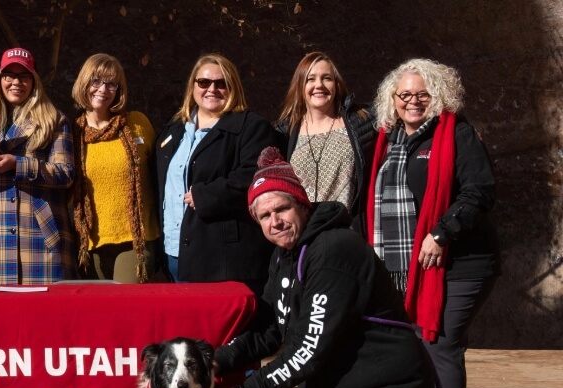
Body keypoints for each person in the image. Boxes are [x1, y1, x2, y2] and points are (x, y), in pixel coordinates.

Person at [198, 149, 506, 388]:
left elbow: (307, 353)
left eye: (282, 209)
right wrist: (213, 362)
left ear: (302, 204)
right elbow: (273, 332)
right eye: (264, 216)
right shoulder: (285, 258)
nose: (275, 221)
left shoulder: (333, 251)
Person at [364, 59, 498, 388]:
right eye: (404, 94)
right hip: (406, 266)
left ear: (438, 96)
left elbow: (480, 191)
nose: (413, 101)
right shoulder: (386, 140)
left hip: (461, 261)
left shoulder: (457, 134)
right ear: (393, 98)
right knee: (418, 343)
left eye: (422, 94)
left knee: (439, 342)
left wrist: (441, 233)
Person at [153, 53, 279, 291]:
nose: (212, 89)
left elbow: (255, 177)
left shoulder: (251, 128)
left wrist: (206, 195)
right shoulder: (174, 129)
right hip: (174, 252)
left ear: (233, 88)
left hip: (221, 258)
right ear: (192, 86)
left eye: (222, 84)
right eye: (204, 82)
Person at [0, 47, 75, 286]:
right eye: (9, 76)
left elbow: (66, 174)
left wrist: (19, 164)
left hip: (37, 232)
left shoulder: (54, 120)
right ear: (0, 80)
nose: (16, 82)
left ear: (34, 80)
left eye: (23, 76)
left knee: (44, 317)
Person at [69, 53, 156, 284]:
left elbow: (161, 174)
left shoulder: (137, 124)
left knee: (126, 310)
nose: (103, 89)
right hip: (89, 246)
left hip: (135, 242)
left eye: (111, 84)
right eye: (96, 81)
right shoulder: (70, 133)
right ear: (83, 84)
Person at [275, 52, 376, 234]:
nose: (319, 85)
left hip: (347, 232)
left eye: (326, 78)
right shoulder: (284, 133)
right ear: (300, 86)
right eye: (310, 79)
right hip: (301, 235)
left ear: (337, 84)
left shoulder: (363, 120)